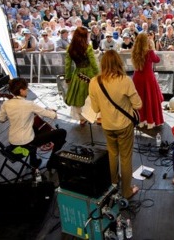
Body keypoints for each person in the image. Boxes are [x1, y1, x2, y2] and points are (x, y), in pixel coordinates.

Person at [89, 51, 142, 199]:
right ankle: (126, 192)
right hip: (124, 126)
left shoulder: (94, 82)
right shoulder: (125, 81)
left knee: (112, 155)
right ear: (119, 62)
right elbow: (138, 105)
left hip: (107, 125)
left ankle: (113, 185)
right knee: (125, 158)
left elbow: (95, 109)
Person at [0, 78, 67, 169]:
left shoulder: (6, 104)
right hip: (26, 142)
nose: (27, 90)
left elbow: (2, 119)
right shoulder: (29, 104)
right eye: (26, 88)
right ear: (21, 90)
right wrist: (53, 112)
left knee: (33, 128)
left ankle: (34, 161)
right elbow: (52, 115)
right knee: (62, 132)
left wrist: (12, 114)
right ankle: (52, 162)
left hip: (13, 141)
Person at [65, 26, 99, 126]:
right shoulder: (88, 48)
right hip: (89, 74)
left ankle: (82, 119)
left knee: (78, 97)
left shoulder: (69, 48)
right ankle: (93, 116)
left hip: (77, 74)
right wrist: (98, 75)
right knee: (90, 96)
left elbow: (67, 65)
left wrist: (68, 78)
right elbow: (93, 64)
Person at [131, 33, 164, 128]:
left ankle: (140, 120)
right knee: (150, 99)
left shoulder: (134, 51)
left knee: (139, 99)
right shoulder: (149, 52)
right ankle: (150, 121)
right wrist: (152, 47)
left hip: (137, 78)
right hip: (148, 78)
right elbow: (157, 60)